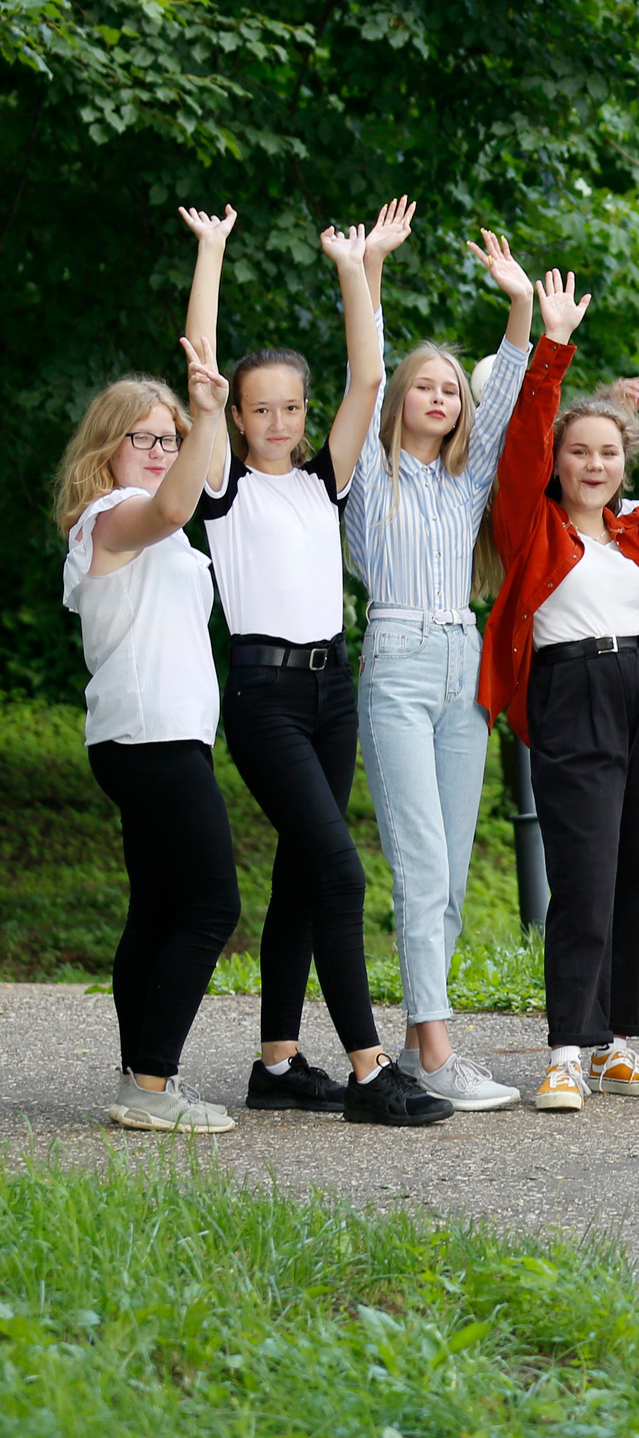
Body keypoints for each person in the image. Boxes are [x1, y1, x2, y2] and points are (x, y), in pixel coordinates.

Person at [185, 200, 449, 1126]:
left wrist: (354, 268)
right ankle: (372, 1072)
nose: (278, 420)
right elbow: (204, 371)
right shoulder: (219, 486)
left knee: (305, 871)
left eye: (290, 407)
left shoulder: (319, 480)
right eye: (263, 408)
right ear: (240, 415)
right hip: (263, 694)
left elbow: (370, 373)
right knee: (341, 872)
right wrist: (214, 250)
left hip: (332, 687)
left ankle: (278, 1061)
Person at [480, 268, 639, 1112]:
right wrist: (551, 348)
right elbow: (521, 440)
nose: (593, 464)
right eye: (578, 452)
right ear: (558, 464)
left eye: (606, 452)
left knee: (638, 874)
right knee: (584, 874)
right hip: (572, 691)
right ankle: (564, 1049)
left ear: (623, 461)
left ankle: (613, 1042)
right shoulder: (531, 526)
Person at [345, 226, 536, 1111]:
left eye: (451, 389)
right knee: (421, 864)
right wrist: (370, 268)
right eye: (425, 385)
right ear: (399, 401)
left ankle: (433, 1046)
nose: (441, 396)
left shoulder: (466, 482)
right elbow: (366, 369)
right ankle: (435, 1049)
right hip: (395, 659)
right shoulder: (365, 477)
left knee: (452, 872)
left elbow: (507, 399)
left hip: (463, 664)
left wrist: (519, 302)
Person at [57, 321, 239, 1131]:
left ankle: (141, 1077)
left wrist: (200, 423)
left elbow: (185, 497)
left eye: (172, 437)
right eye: (147, 438)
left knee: (160, 910)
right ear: (107, 448)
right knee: (210, 906)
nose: (164, 449)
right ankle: (153, 1084)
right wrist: (207, 413)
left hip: (157, 738)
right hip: (150, 740)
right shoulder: (112, 512)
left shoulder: (153, 521)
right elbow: (172, 503)